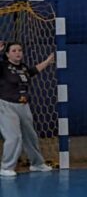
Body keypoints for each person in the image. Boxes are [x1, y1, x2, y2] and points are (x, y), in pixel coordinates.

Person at [0, 41, 56, 177]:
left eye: (20, 50)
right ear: (7, 54)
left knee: (30, 136)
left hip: (24, 106)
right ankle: (6, 167)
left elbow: (32, 71)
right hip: (6, 105)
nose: (18, 53)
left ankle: (37, 164)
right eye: (14, 51)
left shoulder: (23, 67)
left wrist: (47, 62)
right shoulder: (2, 66)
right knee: (14, 136)